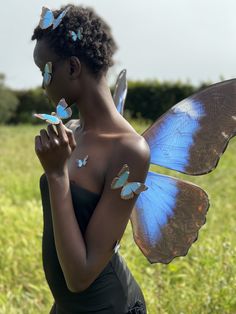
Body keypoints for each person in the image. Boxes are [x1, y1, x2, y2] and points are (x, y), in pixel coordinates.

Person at [32, 4, 150, 314]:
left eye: (45, 70)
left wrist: (57, 175)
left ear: (72, 68)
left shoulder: (130, 150)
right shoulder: (71, 131)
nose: (43, 83)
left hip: (106, 306)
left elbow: (81, 275)